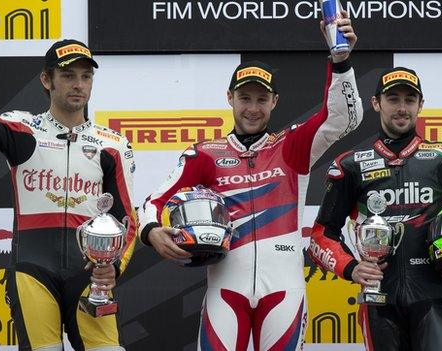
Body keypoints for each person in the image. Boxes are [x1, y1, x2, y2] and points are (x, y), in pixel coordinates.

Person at [139, 14, 363, 350]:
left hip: (284, 290)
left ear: (274, 101)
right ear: (230, 98)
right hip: (225, 290)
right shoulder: (206, 154)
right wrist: (151, 231)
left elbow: (344, 117)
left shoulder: (291, 147)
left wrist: (341, 61)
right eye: (245, 98)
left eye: (261, 99)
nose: (252, 108)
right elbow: (154, 202)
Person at [0, 32, 137, 351]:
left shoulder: (111, 145)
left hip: (89, 278)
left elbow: (126, 219)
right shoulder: (22, 132)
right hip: (33, 271)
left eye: (86, 76)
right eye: (68, 76)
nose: (78, 84)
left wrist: (112, 266)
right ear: (47, 80)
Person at [308, 66, 442, 350]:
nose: (402, 108)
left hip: (434, 298)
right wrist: (350, 268)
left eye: (409, 100)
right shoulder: (350, 165)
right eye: (393, 99)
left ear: (420, 105)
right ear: (376, 103)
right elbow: (321, 235)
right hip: (379, 303)